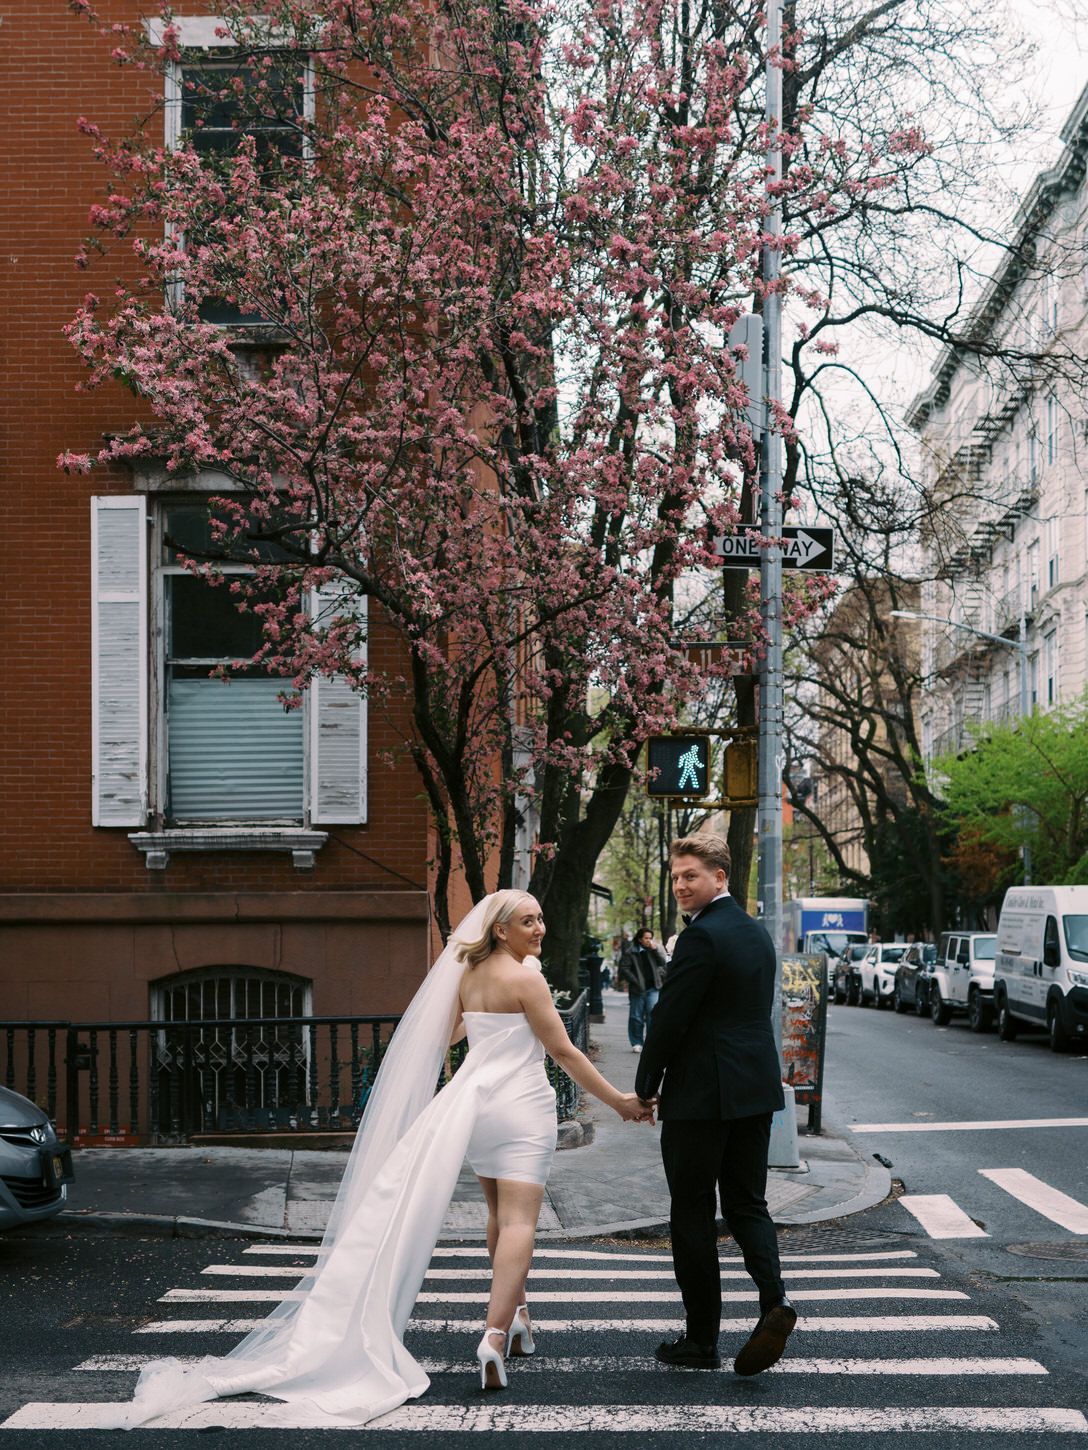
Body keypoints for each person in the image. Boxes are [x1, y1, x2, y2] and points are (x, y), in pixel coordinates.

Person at [107, 891, 650, 1429]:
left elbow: (447, 1035)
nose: (540, 928)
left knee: (496, 1215)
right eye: (528, 921)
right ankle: (493, 1334)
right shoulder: (527, 978)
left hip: (476, 1103)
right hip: (522, 1105)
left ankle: (520, 1318)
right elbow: (563, 1052)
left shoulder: (468, 975)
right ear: (500, 930)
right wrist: (621, 1101)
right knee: (519, 1221)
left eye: (541, 917)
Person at [635, 834, 795, 1376]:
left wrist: (645, 1084)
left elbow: (670, 1019)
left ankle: (701, 1340)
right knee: (749, 1203)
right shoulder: (756, 934)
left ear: (720, 877)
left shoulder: (700, 938)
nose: (680, 886)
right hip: (754, 1089)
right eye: (676, 877)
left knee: (693, 1211)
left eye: (691, 876)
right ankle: (775, 1303)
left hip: (702, 1095)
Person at [618, 926, 668, 1052]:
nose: (648, 941)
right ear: (639, 939)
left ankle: (651, 1042)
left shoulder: (653, 949)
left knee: (653, 1015)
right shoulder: (631, 952)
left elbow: (662, 962)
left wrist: (655, 950)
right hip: (638, 989)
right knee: (636, 1016)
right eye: (646, 938)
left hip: (653, 988)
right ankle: (636, 1043)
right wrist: (635, 982)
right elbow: (624, 969)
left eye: (650, 938)